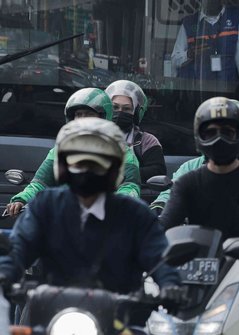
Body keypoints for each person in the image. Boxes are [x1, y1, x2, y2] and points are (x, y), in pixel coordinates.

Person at [0, 118, 181, 324]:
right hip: (52, 315)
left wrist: (170, 285)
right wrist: (6, 273)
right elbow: (19, 248)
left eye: (97, 162)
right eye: (78, 162)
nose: (86, 170)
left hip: (120, 320)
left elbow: (159, 257)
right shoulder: (46, 206)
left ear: (115, 167)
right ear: (62, 164)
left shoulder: (136, 214)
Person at [159, 97, 239, 335]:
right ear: (199, 137)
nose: (219, 138)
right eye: (211, 132)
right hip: (193, 268)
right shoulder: (187, 181)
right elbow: (166, 222)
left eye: (228, 131)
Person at [5, 88, 141, 216]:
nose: (82, 119)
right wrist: (21, 199)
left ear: (103, 118)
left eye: (88, 114)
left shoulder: (124, 153)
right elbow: (40, 183)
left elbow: (129, 188)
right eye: (78, 115)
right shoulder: (59, 151)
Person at [105, 80, 166, 182]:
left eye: (126, 109)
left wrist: (123, 174)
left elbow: (158, 171)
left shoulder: (147, 141)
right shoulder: (95, 138)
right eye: (115, 107)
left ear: (136, 113)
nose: (120, 112)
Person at [171, 0, 239, 82]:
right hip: (199, 89)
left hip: (229, 89)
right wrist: (190, 54)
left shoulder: (236, 17)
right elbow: (174, 60)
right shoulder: (189, 23)